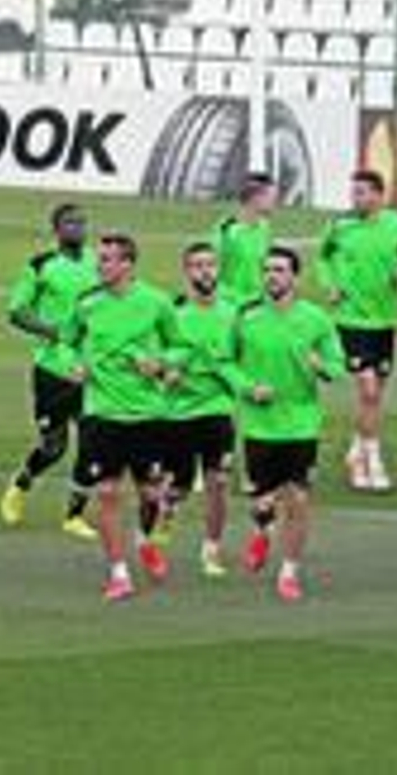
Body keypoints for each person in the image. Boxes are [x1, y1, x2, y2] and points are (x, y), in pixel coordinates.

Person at [62, 232, 181, 602]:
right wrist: (73, 365)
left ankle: (145, 540)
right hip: (102, 414)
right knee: (108, 492)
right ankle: (118, 572)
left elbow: (181, 347)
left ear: (128, 264)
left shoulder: (156, 302)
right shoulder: (87, 304)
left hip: (148, 415)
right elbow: (65, 342)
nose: (101, 265)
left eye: (109, 259)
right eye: (100, 259)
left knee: (150, 493)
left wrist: (160, 363)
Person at [234, 246, 345, 602]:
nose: (272, 276)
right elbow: (224, 362)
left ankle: (289, 571)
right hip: (259, 426)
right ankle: (262, 530)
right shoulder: (246, 317)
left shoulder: (316, 319)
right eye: (267, 269)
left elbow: (337, 365)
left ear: (294, 277)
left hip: (301, 425)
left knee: (298, 499)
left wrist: (321, 366)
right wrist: (249, 388)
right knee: (262, 501)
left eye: (279, 270)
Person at [316, 169, 397, 494]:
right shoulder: (340, 226)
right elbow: (323, 257)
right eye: (354, 192)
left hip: (384, 323)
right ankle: (371, 459)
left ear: (379, 195)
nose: (355, 198)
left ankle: (356, 449)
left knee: (374, 398)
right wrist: (330, 285)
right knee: (369, 391)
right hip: (350, 321)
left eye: (361, 192)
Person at [0, 203, 99, 539]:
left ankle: (74, 515)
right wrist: (50, 331)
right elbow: (16, 311)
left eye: (82, 223)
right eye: (70, 223)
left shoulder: (99, 261)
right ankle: (21, 483)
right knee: (54, 447)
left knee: (91, 443)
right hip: (53, 369)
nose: (78, 228)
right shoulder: (41, 266)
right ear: (56, 230)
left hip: (90, 368)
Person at [164, 242, 241, 578]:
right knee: (178, 486)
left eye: (210, 265)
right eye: (197, 265)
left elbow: (245, 354)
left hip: (218, 409)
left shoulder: (234, 312)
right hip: (179, 412)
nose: (205, 271)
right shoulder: (173, 315)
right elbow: (155, 357)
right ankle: (166, 509)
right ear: (186, 271)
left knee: (219, 482)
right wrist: (168, 372)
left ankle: (211, 549)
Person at [213, 172, 277, 305]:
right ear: (255, 198)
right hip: (231, 306)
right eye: (271, 197)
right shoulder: (226, 231)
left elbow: (265, 268)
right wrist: (235, 300)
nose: (274, 202)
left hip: (260, 306)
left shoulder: (265, 228)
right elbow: (211, 274)